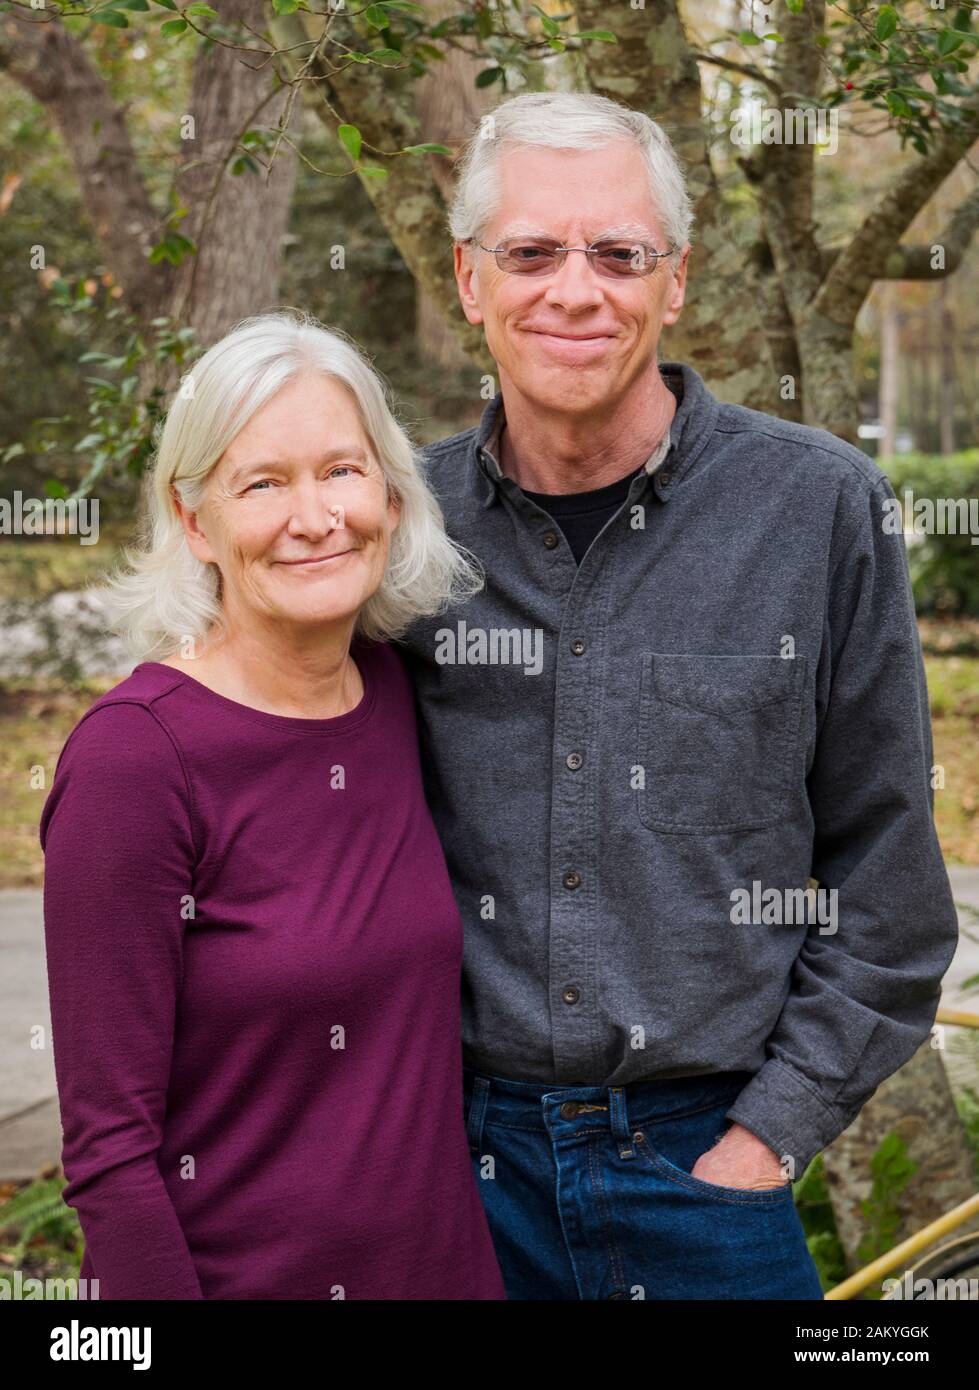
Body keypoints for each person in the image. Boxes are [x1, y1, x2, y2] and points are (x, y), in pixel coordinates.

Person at [394, 91, 960, 1300]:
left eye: (618, 253)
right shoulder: (397, 531)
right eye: (532, 253)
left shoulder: (817, 511)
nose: (575, 289)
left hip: (708, 1176)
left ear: (677, 280)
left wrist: (765, 1142)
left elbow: (892, 890)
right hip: (451, 1174)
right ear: (467, 279)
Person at [39, 311, 505, 1301]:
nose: (315, 516)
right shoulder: (136, 760)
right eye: (263, 482)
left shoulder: (392, 694)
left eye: (341, 469)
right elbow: (109, 1149)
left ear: (388, 487)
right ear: (196, 519)